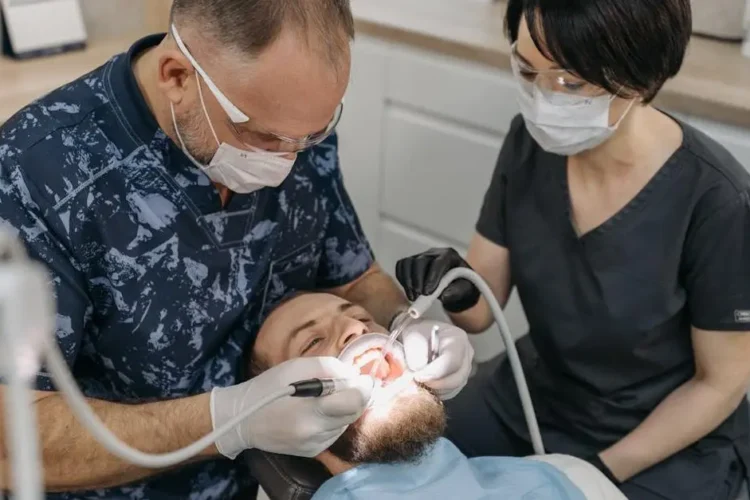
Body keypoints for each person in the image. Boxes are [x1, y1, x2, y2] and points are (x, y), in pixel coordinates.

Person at [0, 1, 474, 498]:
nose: (290, 162)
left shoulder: (291, 123)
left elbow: (353, 277)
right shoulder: (35, 178)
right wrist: (226, 422)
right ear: (178, 76)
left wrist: (407, 324)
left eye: (315, 135)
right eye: (265, 138)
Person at [395, 1, 750, 499]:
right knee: (402, 469)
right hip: (536, 397)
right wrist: (454, 282)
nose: (542, 99)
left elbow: (720, 385)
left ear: (640, 80)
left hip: (664, 439)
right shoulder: (528, 144)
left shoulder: (717, 201)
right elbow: (480, 314)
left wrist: (595, 473)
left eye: (570, 84)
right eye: (525, 70)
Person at [249, 291, 627, 500]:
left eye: (363, 318)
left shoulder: (568, 476)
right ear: (287, 421)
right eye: (312, 341)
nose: (354, 328)